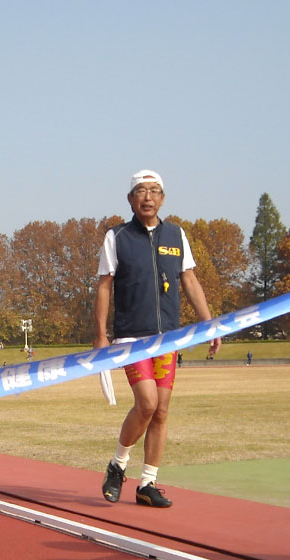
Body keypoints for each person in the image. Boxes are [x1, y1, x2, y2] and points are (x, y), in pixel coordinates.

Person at [94, 170, 221, 508]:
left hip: (168, 339)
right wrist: (100, 334)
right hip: (131, 340)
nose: (147, 197)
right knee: (147, 403)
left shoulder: (176, 234)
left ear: (163, 198)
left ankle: (147, 483)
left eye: (154, 191)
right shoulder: (116, 236)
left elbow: (189, 280)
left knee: (161, 411)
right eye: (140, 191)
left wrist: (210, 324)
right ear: (130, 199)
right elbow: (104, 285)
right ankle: (118, 465)